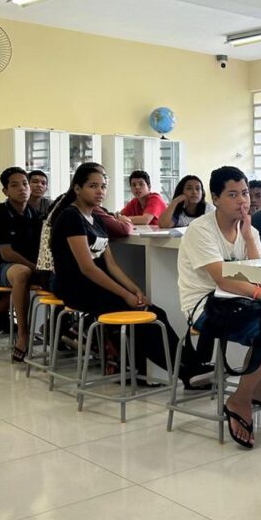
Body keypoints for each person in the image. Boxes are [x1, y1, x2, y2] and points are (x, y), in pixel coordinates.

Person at [177, 166, 261, 447]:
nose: (242, 201)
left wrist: (248, 237)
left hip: (242, 301)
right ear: (215, 198)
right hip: (205, 306)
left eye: (245, 193)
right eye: (233, 195)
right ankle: (240, 399)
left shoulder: (250, 230)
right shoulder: (201, 230)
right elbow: (222, 279)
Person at [49, 163, 190, 381]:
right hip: (76, 287)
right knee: (145, 320)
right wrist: (125, 295)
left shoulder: (96, 218)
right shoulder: (71, 217)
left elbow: (112, 265)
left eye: (103, 187)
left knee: (156, 312)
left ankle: (191, 365)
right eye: (93, 186)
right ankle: (183, 373)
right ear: (77, 188)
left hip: (95, 285)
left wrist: (136, 290)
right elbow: (87, 267)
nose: (100, 191)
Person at [0, 166, 44, 362]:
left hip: (28, 265)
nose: (22, 189)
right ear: (5, 191)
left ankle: (59, 331)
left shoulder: (33, 214)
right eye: (15, 185)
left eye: (25, 184)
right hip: (0, 267)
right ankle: (23, 335)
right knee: (22, 273)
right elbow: (7, 254)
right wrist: (35, 267)